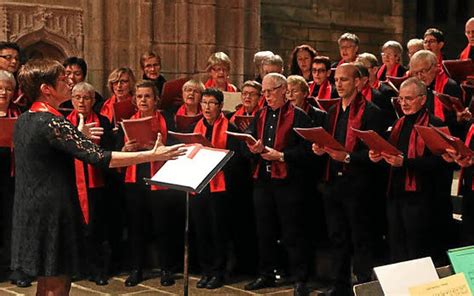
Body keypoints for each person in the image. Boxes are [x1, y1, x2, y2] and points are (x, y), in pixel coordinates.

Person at [11, 59, 184, 296]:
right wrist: (152, 154)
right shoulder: (52, 122)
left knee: (47, 279)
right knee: (57, 283)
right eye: (62, 79)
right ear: (46, 89)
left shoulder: (26, 118)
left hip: (32, 208)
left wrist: (75, 135)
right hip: (53, 212)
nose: (70, 81)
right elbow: (102, 158)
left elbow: (46, 151)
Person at [312, 63, 387, 295]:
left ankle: (363, 285)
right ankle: (340, 285)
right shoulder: (332, 112)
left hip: (359, 185)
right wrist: (319, 147)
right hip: (333, 183)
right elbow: (328, 141)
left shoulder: (372, 112)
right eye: (336, 80)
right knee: (337, 237)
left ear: (357, 82)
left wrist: (347, 157)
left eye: (344, 80)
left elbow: (376, 153)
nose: (339, 84)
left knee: (360, 238)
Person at [369, 77, 455, 265]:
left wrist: (406, 163)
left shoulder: (436, 124)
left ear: (422, 99)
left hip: (423, 199)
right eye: (401, 99)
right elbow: (392, 155)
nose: (404, 103)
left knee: (419, 251)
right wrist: (379, 157)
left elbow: (443, 163)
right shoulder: (398, 124)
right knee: (397, 248)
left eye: (409, 98)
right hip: (397, 195)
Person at [243, 73, 312, 296]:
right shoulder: (261, 115)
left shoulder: (299, 116)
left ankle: (300, 279)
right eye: (264, 92)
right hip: (263, 180)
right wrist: (253, 149)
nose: (266, 96)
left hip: (288, 182)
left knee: (293, 232)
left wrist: (281, 156)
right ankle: (266, 274)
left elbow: (307, 151)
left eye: (270, 91)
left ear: (284, 89)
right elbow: (249, 141)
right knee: (264, 231)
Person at [121, 80, 184, 287]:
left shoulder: (167, 119)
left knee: (163, 226)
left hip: (160, 179)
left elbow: (178, 146)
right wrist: (126, 149)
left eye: (147, 96)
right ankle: (136, 269)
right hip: (135, 179)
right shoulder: (128, 121)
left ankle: (167, 269)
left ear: (156, 100)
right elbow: (117, 152)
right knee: (136, 226)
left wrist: (161, 147)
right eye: (139, 97)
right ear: (134, 100)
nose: (143, 100)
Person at [190, 88, 242, 289]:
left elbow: (236, 159)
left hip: (221, 187)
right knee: (201, 230)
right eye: (204, 103)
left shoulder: (230, 127)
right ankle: (206, 271)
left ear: (220, 106)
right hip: (200, 184)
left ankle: (219, 272)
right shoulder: (197, 126)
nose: (207, 107)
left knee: (217, 230)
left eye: (212, 103)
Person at [66, 82, 114, 286]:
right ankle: (77, 268)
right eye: (77, 97)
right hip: (71, 182)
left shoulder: (102, 121)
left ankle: (98, 269)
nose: (81, 101)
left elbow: (110, 151)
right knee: (74, 227)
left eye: (86, 98)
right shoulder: (63, 122)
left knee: (97, 227)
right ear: (71, 99)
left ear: (93, 100)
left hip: (97, 182)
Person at [0, 70, 29, 287]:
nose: (3, 92)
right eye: (0, 88)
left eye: (8, 89)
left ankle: (16, 268)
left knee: (14, 222)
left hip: (14, 176)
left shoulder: (20, 113)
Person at [409, 50, 463, 134]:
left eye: (423, 71)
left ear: (435, 66)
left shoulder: (449, 86)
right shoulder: (418, 87)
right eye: (416, 73)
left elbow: (456, 122)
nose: (420, 77)